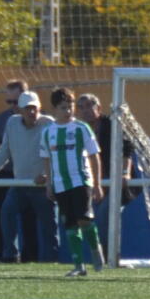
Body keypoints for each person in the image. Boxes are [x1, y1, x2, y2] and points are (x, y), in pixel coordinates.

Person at [0, 92, 51, 263]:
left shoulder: (49, 124)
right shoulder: (12, 123)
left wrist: (48, 176)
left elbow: (58, 155)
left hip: (43, 186)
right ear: (20, 110)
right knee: (7, 213)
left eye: (34, 108)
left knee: (49, 227)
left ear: (40, 108)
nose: (32, 112)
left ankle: (51, 261)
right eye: (27, 109)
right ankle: (11, 255)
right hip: (20, 184)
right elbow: (4, 152)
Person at [39, 87, 104, 278]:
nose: (68, 111)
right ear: (54, 109)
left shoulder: (81, 128)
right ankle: (79, 265)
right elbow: (46, 158)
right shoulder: (48, 132)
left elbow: (94, 155)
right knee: (70, 224)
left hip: (81, 180)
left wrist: (97, 184)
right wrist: (49, 184)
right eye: (63, 107)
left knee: (84, 219)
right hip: (60, 183)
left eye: (70, 106)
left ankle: (96, 250)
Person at [75, 92, 132, 259]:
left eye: (89, 106)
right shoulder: (78, 130)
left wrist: (125, 173)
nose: (85, 110)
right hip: (92, 184)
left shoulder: (112, 125)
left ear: (98, 108)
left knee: (104, 217)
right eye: (81, 107)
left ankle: (110, 258)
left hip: (114, 183)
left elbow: (127, 148)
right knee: (88, 221)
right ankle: (104, 258)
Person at [0, 79, 28, 260]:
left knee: (29, 218)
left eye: (16, 101)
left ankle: (32, 256)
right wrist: (2, 149)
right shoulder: (3, 118)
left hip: (26, 175)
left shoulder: (40, 118)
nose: (13, 106)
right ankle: (4, 254)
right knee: (2, 216)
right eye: (9, 101)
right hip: (4, 173)